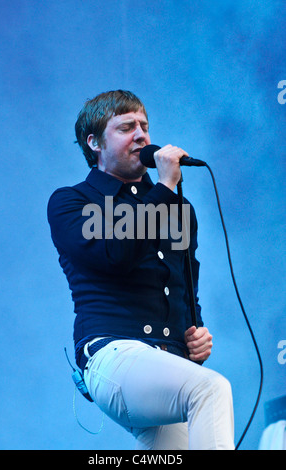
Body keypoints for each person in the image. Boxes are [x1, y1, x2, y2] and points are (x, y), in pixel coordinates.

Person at [47, 90, 234, 450]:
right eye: (126, 127)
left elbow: (183, 285)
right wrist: (164, 187)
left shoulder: (178, 208)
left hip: (164, 361)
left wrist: (194, 334)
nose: (142, 136)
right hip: (111, 354)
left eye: (145, 126)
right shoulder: (73, 202)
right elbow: (115, 254)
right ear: (95, 142)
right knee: (211, 389)